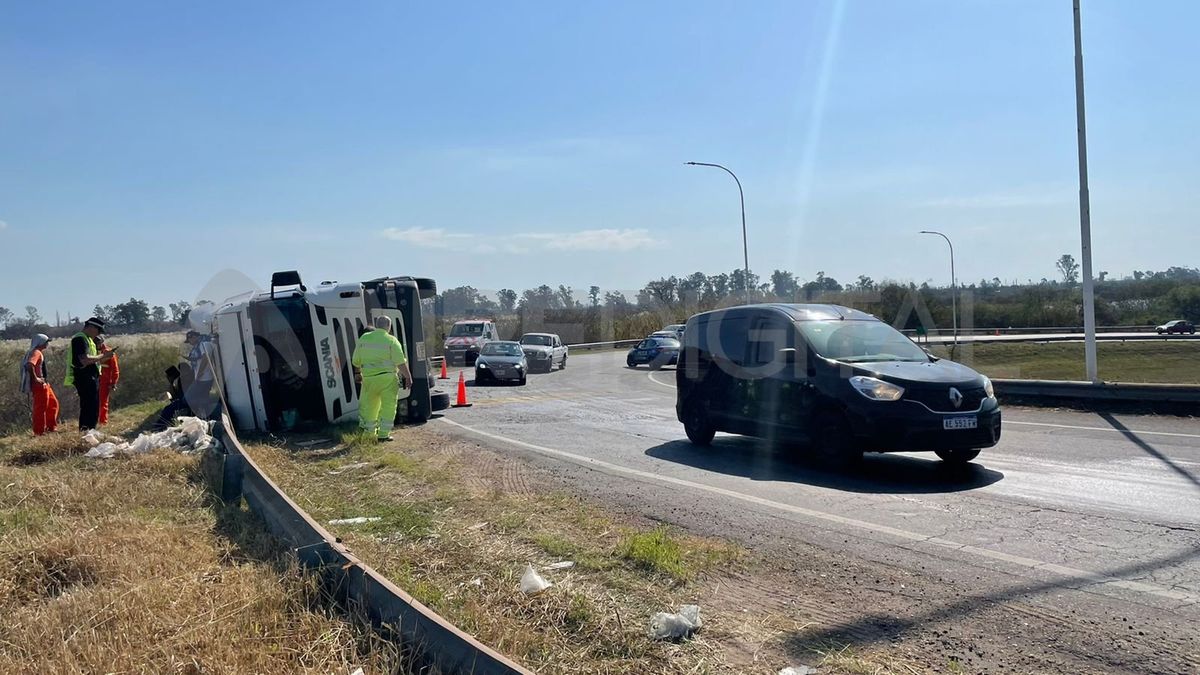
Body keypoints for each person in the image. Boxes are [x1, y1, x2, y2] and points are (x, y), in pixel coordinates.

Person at [351, 315, 412, 442]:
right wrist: (408, 377)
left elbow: (356, 360)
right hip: (387, 379)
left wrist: (358, 373)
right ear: (388, 327)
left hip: (368, 379)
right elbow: (400, 362)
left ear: (376, 325)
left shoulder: (364, 338)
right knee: (388, 406)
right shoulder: (391, 340)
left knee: (370, 406)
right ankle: (383, 434)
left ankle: (369, 434)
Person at [153, 331, 216, 429]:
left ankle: (160, 424)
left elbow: (205, 358)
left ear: (194, 337)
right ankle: (205, 417)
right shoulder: (199, 346)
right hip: (201, 378)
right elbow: (197, 358)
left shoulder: (204, 344)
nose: (190, 342)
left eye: (190, 339)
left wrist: (200, 373)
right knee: (202, 399)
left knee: (186, 400)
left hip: (203, 378)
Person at [65, 317, 114, 431]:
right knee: (88, 407)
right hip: (84, 377)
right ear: (91, 327)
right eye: (98, 330)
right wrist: (103, 356)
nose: (98, 334)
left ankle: (90, 431)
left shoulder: (89, 340)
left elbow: (93, 361)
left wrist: (104, 357)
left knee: (93, 407)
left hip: (91, 377)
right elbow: (84, 360)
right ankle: (86, 432)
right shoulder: (79, 339)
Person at [20, 334, 60, 435]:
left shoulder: (38, 352)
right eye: (46, 341)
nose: (47, 344)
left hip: (45, 384)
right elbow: (30, 365)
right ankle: (39, 432)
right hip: (39, 386)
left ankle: (51, 427)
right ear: (41, 342)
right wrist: (36, 379)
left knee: (53, 404)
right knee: (40, 409)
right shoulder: (36, 352)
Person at [95, 334, 120, 426]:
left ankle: (102, 422)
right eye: (95, 341)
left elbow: (115, 369)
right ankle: (94, 420)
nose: (96, 343)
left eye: (98, 341)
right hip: (94, 380)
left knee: (103, 402)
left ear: (102, 342)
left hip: (105, 381)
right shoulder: (92, 351)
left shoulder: (109, 352)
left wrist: (113, 382)